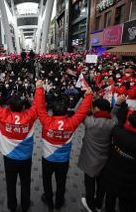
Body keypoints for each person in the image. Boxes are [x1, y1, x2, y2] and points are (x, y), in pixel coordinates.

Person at [34, 80, 93, 209]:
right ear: (66, 113)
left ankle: (49, 201)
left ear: (52, 113)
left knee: (46, 181)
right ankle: (59, 202)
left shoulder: (46, 121)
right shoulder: (71, 123)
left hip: (47, 159)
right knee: (61, 182)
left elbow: (40, 108)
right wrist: (88, 96)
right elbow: (81, 112)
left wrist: (39, 89)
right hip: (63, 160)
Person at [0, 76, 38, 212]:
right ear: (23, 107)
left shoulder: (3, 116)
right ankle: (25, 205)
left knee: (10, 183)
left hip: (9, 158)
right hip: (25, 158)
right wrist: (40, 88)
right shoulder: (30, 117)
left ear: (9, 106)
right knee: (26, 183)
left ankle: (11, 205)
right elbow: (38, 106)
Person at [78, 96, 126, 212]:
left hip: (89, 160)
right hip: (105, 159)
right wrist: (118, 105)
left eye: (94, 108)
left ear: (97, 109)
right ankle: (98, 204)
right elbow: (113, 114)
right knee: (101, 185)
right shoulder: (113, 122)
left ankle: (90, 205)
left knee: (89, 185)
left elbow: (78, 112)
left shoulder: (90, 121)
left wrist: (85, 98)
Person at [102, 110, 136, 212]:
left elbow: (118, 122)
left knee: (110, 199)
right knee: (126, 204)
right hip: (131, 178)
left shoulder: (118, 132)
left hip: (112, 173)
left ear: (129, 123)